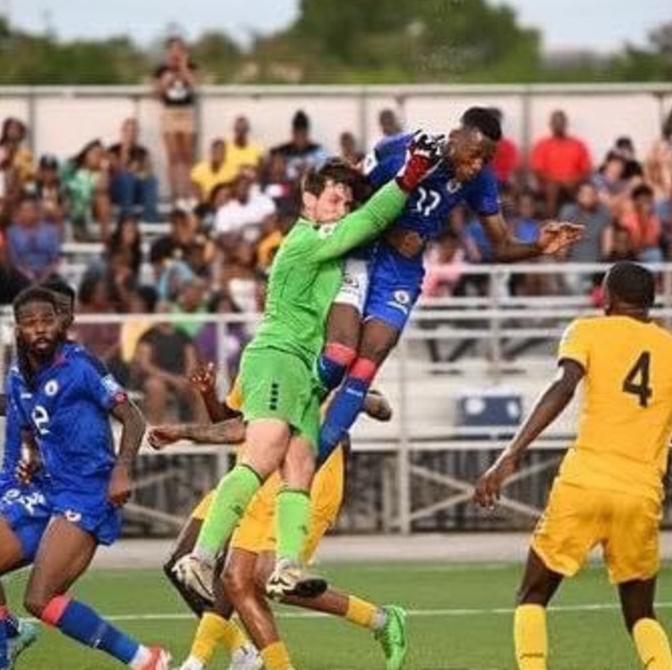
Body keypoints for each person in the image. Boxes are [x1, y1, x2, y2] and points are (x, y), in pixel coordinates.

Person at [170, 148, 438, 644]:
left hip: (304, 373)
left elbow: (367, 233)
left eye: (344, 201)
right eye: (333, 199)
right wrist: (410, 172)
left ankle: (288, 566)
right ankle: (200, 558)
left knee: (299, 469)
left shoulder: (328, 250)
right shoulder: (306, 240)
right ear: (309, 202)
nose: (340, 208)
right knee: (261, 459)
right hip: (279, 357)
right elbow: (373, 217)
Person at [473, 261, 672, 670]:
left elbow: (563, 386)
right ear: (650, 303)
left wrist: (510, 454)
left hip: (584, 483)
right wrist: (658, 425)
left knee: (533, 595)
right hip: (640, 494)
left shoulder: (587, 330)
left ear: (605, 298)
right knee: (641, 614)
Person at [313, 109, 582, 464]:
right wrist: (390, 230)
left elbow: (500, 245)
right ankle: (300, 416)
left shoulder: (481, 178)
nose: (476, 168)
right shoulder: (401, 149)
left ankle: (316, 456)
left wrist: (537, 247)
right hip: (361, 250)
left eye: (485, 161)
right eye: (474, 156)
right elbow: (349, 196)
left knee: (375, 350)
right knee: (339, 356)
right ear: (456, 136)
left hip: (401, 270)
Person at [0, 286, 167, 670]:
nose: (41, 329)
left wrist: (122, 470)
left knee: (40, 600)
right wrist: (30, 457)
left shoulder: (82, 366)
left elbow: (133, 416)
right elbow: (29, 426)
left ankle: (144, 659)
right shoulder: (19, 375)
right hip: (46, 488)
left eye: (47, 320)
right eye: (31, 323)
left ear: (61, 323)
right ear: (18, 330)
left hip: (88, 491)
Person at [151, 366, 406, 670]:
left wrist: (352, 400)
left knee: (267, 579)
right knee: (234, 579)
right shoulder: (258, 360)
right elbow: (235, 425)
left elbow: (383, 408)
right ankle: (229, 659)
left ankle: (380, 619)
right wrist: (206, 398)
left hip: (309, 484)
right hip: (257, 477)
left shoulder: (320, 363)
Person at [156, 36, 199, 199]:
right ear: (168, 51)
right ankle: (175, 194)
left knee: (188, 155)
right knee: (173, 156)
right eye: (172, 49)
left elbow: (194, 86)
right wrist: (166, 80)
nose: (176, 52)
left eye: (179, 48)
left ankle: (189, 192)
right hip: (169, 112)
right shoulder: (162, 70)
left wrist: (183, 67)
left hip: (186, 111)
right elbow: (157, 94)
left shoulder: (190, 67)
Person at [529, 110, 593, 216]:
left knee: (579, 188)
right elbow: (538, 171)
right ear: (550, 124)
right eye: (555, 122)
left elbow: (586, 170)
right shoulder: (542, 144)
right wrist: (558, 181)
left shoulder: (578, 144)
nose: (558, 125)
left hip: (573, 185)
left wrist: (573, 180)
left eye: (561, 122)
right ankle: (552, 224)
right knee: (553, 188)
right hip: (550, 186)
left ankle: (579, 221)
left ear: (566, 123)